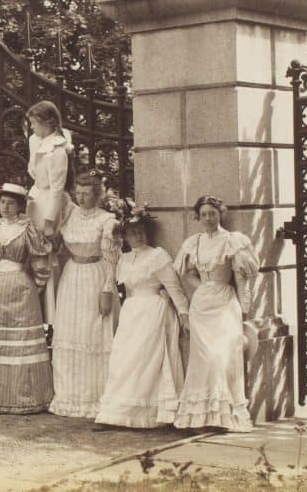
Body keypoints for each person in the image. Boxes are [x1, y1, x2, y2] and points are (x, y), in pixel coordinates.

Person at [94, 202, 189, 429]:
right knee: (123, 359)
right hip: (132, 312)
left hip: (153, 311)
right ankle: (116, 413)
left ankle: (149, 413)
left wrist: (184, 314)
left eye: (140, 231)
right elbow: (125, 290)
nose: (137, 236)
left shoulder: (157, 256)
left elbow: (174, 288)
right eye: (132, 232)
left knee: (145, 359)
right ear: (125, 237)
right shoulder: (124, 259)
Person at [173, 195, 259, 432]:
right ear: (198, 217)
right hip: (201, 305)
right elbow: (187, 273)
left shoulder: (233, 241)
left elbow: (243, 277)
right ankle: (200, 418)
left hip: (225, 303)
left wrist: (244, 308)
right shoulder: (194, 242)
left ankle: (224, 416)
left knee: (220, 357)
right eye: (204, 215)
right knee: (201, 360)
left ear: (221, 213)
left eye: (212, 213)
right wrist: (203, 287)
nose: (208, 218)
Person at [0, 182, 54, 414]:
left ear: (20, 206)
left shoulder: (28, 229)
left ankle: (25, 398)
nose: (5, 207)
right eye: (3, 202)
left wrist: (37, 285)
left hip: (21, 286)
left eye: (11, 203)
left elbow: (40, 261)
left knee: (21, 341)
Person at [49, 171, 120, 418]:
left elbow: (112, 260)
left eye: (86, 194)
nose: (81, 198)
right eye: (78, 193)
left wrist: (107, 290)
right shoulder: (69, 215)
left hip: (95, 277)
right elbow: (54, 243)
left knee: (93, 332)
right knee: (70, 332)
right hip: (71, 278)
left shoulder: (107, 220)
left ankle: (95, 396)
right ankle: (69, 396)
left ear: (97, 195)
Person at [25, 100, 74, 325]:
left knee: (47, 254)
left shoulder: (58, 150)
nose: (32, 127)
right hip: (35, 200)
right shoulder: (36, 141)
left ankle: (52, 315)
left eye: (35, 123)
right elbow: (33, 172)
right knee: (32, 253)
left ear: (49, 123)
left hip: (49, 205)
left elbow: (57, 189)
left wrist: (49, 221)